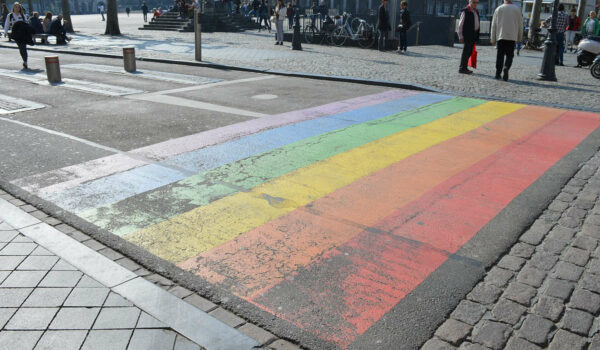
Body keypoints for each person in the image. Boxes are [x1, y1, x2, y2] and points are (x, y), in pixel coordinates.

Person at [490, 0, 522, 81]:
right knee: (510, 55)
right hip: (512, 37)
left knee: (500, 55)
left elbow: (494, 25)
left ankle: (498, 73)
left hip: (501, 36)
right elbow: (520, 26)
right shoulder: (517, 10)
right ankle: (506, 67)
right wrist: (519, 38)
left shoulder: (498, 9)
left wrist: (493, 38)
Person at [3, 3, 31, 69]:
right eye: (15, 7)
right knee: (21, 48)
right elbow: (7, 24)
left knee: (23, 47)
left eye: (18, 7)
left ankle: (25, 61)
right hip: (16, 34)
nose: (17, 8)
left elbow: (26, 23)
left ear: (20, 8)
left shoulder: (22, 15)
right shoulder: (10, 15)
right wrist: (5, 32)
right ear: (13, 8)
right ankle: (24, 59)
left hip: (23, 33)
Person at [457, 0, 480, 74]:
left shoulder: (476, 11)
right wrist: (460, 36)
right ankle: (462, 68)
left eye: (477, 2)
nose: (475, 4)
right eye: (474, 2)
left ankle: (464, 67)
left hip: (474, 34)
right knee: (466, 51)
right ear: (470, 2)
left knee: (469, 51)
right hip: (467, 34)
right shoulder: (465, 11)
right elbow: (460, 25)